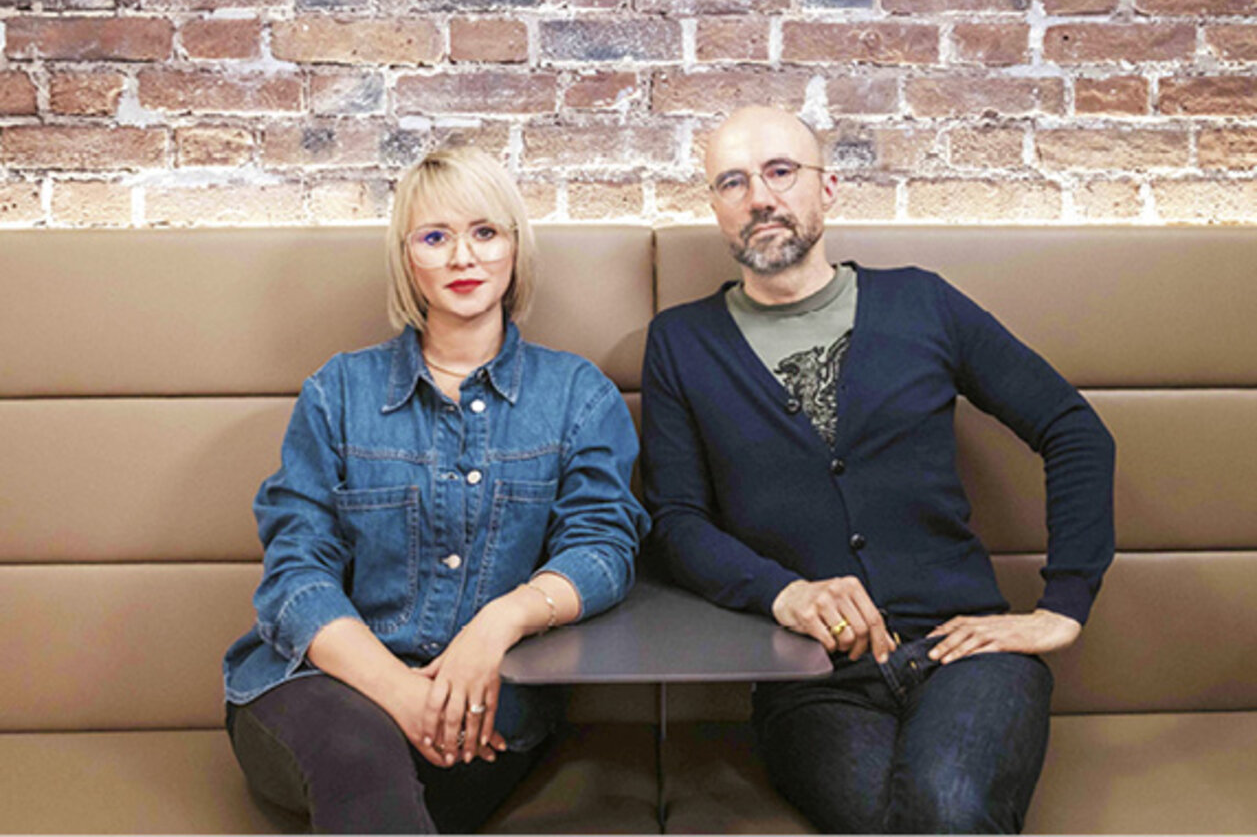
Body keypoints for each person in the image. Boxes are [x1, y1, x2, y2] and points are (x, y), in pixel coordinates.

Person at [640, 106, 1115, 833]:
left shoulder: (921, 301)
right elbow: (675, 523)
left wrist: (1063, 608)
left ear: (826, 187)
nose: (759, 197)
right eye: (732, 182)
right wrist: (785, 593)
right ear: (715, 208)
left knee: (949, 809)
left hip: (969, 654)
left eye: (779, 171)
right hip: (809, 681)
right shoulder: (681, 342)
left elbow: (1073, 430)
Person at [222, 145, 649, 834]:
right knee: (360, 756)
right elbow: (295, 575)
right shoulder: (338, 391)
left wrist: (495, 625)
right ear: (406, 257)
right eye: (434, 237)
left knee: (413, 784)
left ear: (514, 247)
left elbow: (603, 548)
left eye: (485, 232)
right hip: (318, 691)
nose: (462, 257)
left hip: (487, 707)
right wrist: (399, 692)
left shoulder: (577, 395)